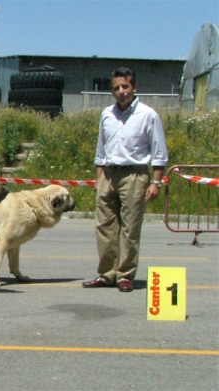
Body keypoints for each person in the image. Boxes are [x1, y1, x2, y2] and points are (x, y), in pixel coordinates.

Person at [83, 67, 168, 293]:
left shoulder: (148, 115)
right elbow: (101, 149)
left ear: (134, 88)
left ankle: (125, 275)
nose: (121, 92)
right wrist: (99, 179)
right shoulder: (107, 114)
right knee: (104, 227)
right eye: (116, 88)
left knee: (130, 228)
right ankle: (107, 274)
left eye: (125, 87)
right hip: (109, 174)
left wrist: (156, 182)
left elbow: (159, 152)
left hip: (134, 174)